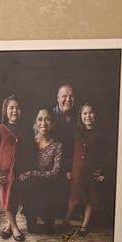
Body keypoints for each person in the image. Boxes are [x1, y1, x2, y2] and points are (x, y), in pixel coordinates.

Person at [68, 102, 111, 235]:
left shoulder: (101, 134)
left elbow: (106, 155)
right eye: (84, 113)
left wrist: (102, 172)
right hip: (76, 170)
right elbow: (69, 153)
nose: (88, 116)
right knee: (73, 197)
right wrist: (68, 170)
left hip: (91, 171)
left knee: (90, 197)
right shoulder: (75, 133)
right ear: (80, 116)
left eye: (90, 113)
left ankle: (84, 225)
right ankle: (66, 220)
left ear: (95, 115)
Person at [0, 94, 26, 241]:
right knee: (7, 200)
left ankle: (9, 225)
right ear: (5, 110)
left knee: (14, 200)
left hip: (19, 172)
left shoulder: (24, 130)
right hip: (4, 173)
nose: (14, 111)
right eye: (11, 108)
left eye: (17, 108)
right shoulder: (0, 130)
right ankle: (15, 228)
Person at [17, 109, 63, 231]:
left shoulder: (57, 145)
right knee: (32, 229)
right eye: (40, 119)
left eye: (47, 119)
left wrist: (33, 173)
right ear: (35, 123)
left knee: (49, 230)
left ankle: (47, 217)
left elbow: (55, 173)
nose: (43, 123)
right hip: (30, 187)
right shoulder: (29, 141)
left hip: (48, 186)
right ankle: (30, 218)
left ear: (52, 123)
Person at [50, 83, 78, 228]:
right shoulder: (50, 116)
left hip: (70, 161)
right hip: (52, 162)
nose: (68, 99)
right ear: (57, 98)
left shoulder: (76, 117)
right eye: (64, 96)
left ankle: (68, 215)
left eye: (71, 96)